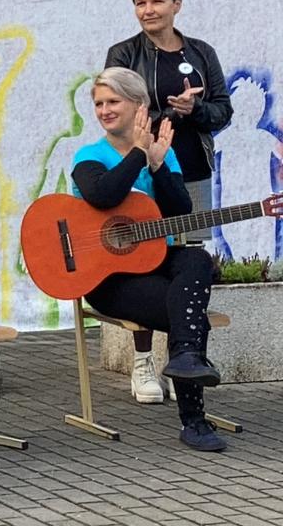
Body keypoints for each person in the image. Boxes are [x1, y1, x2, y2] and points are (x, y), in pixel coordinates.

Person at [71, 67, 226, 451]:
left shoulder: (163, 152)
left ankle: (185, 359)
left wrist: (158, 166)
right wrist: (139, 153)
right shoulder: (90, 156)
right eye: (99, 104)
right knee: (189, 316)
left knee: (197, 260)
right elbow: (104, 194)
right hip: (108, 279)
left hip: (154, 261)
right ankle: (194, 421)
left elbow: (179, 210)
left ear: (139, 106)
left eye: (113, 101)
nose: (104, 110)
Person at [104, 0, 233, 404]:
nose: (148, 10)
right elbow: (116, 109)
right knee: (142, 261)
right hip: (144, 171)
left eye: (157, 1)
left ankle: (182, 359)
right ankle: (142, 362)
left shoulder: (201, 52)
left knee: (188, 261)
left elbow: (223, 111)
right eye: (140, 3)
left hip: (190, 171)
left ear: (177, 4)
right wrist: (166, 115)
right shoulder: (124, 53)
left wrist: (195, 109)